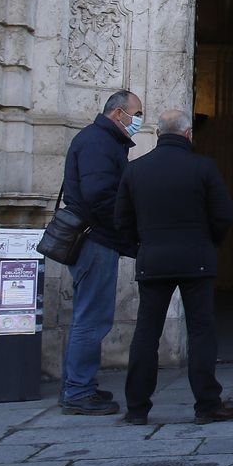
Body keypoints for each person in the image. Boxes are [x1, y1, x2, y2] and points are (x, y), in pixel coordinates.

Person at [116, 108, 233, 425]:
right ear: (188, 134)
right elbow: (224, 214)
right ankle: (207, 405)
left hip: (152, 258)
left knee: (146, 332)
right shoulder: (202, 167)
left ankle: (137, 408)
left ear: (157, 133)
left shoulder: (135, 169)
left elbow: (121, 221)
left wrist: (142, 246)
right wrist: (209, 242)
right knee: (201, 331)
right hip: (196, 258)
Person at [58, 88, 142, 416]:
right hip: (96, 240)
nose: (138, 119)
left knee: (88, 316)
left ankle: (77, 385)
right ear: (117, 113)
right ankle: (78, 391)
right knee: (92, 318)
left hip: (97, 238)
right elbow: (100, 196)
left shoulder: (101, 140)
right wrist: (126, 226)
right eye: (136, 113)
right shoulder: (98, 142)